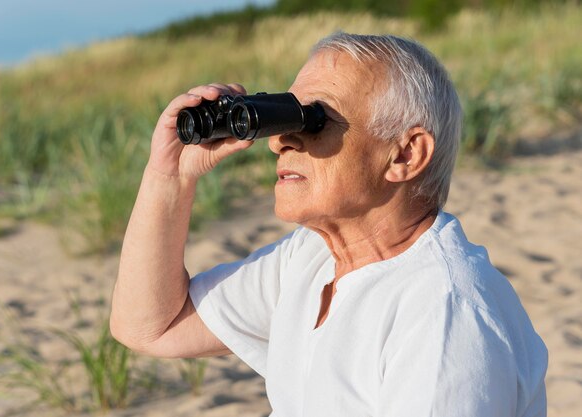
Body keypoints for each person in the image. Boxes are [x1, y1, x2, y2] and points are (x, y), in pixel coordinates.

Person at [110, 33, 548, 416]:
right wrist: (168, 177)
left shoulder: (444, 313)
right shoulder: (313, 257)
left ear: (405, 154)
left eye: (314, 120)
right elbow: (151, 327)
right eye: (285, 116)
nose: (280, 140)